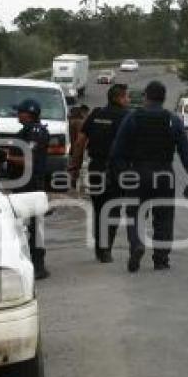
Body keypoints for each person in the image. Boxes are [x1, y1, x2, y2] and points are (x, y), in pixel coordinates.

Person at [110, 81, 188, 272]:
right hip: (165, 174)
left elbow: (117, 151)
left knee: (134, 214)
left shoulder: (133, 118)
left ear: (146, 97)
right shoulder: (173, 120)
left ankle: (137, 245)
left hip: (138, 173)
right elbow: (185, 151)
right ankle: (161, 259)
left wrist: (123, 174)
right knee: (164, 216)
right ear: (164, 98)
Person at [68, 84, 131, 263]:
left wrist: (75, 167)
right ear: (119, 98)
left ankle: (99, 245)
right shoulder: (127, 117)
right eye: (126, 97)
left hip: (95, 168)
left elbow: (80, 142)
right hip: (117, 170)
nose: (128, 100)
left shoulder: (95, 114)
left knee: (99, 208)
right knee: (113, 209)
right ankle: (105, 249)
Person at [13, 98, 51, 280]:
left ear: (28, 114)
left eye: (20, 111)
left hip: (32, 185)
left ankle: (38, 265)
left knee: (33, 225)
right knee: (25, 224)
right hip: (24, 184)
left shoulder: (35, 132)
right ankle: (29, 263)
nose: (17, 114)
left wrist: (5, 157)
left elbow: (29, 159)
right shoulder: (27, 131)